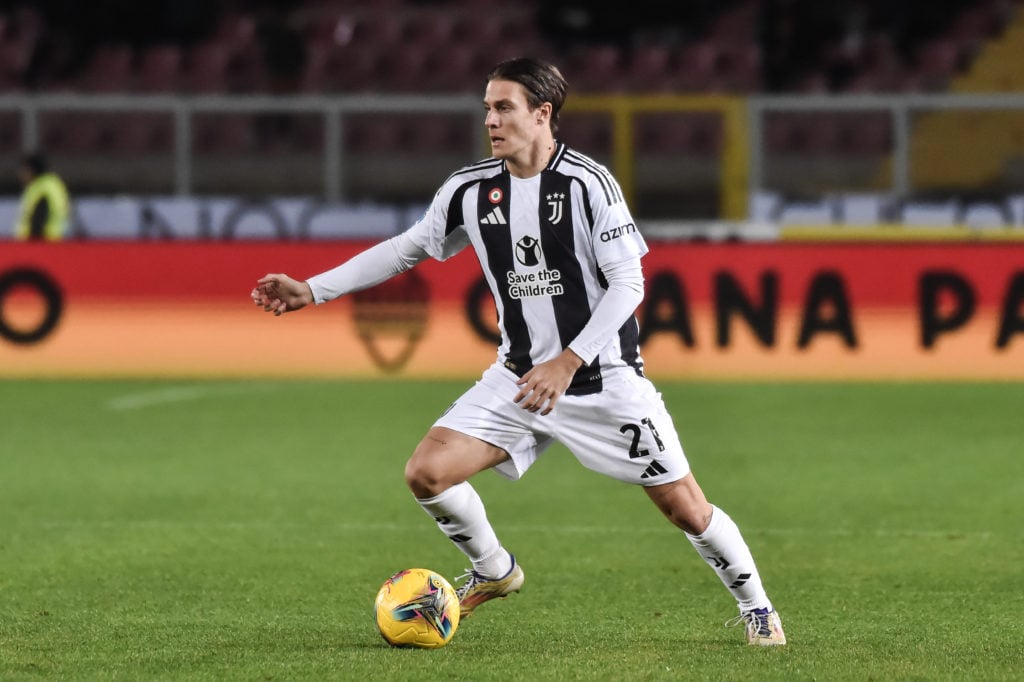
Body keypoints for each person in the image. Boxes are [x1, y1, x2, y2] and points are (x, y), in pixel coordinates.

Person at [251, 57, 786, 646]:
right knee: (426, 473)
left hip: (603, 382)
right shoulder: (470, 190)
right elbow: (407, 249)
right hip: (519, 378)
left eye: (504, 107)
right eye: (487, 108)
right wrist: (313, 288)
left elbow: (628, 284)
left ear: (542, 113)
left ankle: (757, 606)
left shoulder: (587, 184)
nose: (491, 119)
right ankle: (495, 569)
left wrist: (569, 360)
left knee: (686, 508)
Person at [14, 152, 71, 241]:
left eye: (24, 170)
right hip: (54, 240)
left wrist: (32, 244)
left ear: (31, 170)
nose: (21, 174)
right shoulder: (53, 184)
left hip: (42, 243)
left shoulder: (41, 188)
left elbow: (38, 220)